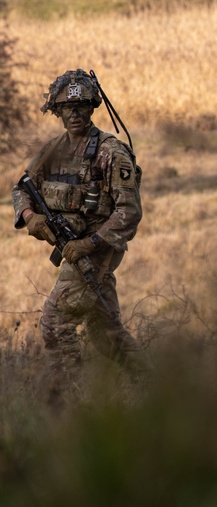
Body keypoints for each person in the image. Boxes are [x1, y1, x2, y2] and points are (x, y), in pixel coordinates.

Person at [12, 69, 146, 383]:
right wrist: (31, 218)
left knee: (55, 323)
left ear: (92, 108)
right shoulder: (53, 150)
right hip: (71, 248)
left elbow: (129, 211)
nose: (75, 114)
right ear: (57, 112)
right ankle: (154, 388)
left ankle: (72, 401)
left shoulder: (111, 153)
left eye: (82, 107)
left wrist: (88, 244)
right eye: (68, 108)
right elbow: (21, 187)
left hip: (96, 250)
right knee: (106, 335)